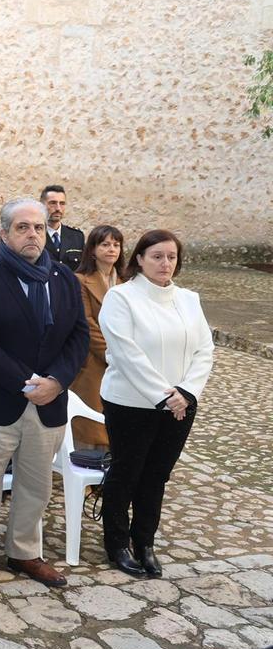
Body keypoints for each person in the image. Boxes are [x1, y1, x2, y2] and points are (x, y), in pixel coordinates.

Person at [0, 198, 88, 592]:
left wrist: (57, 382)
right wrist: (26, 383)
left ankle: (24, 551)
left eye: (38, 227)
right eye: (22, 227)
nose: (32, 234)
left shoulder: (62, 277)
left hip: (49, 403)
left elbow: (78, 336)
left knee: (36, 484)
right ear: (4, 234)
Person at [97, 230, 213, 578]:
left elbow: (204, 350)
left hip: (181, 403)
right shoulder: (122, 298)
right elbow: (126, 353)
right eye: (157, 256)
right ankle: (116, 542)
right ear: (140, 259)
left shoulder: (189, 299)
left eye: (172, 257)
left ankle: (144, 541)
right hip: (131, 402)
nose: (165, 263)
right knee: (126, 472)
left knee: (157, 475)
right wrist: (165, 395)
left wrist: (186, 393)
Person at [69, 225, 125, 450]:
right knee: (91, 419)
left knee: (118, 419)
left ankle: (110, 475)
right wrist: (115, 355)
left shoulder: (128, 282)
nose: (111, 249)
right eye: (105, 244)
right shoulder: (80, 280)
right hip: (94, 361)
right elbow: (87, 324)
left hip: (125, 363)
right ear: (92, 249)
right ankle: (86, 473)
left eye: (116, 244)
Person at [41, 185, 85, 271]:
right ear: (42, 205)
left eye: (62, 203)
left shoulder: (77, 237)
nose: (58, 208)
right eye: (53, 203)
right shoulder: (35, 235)